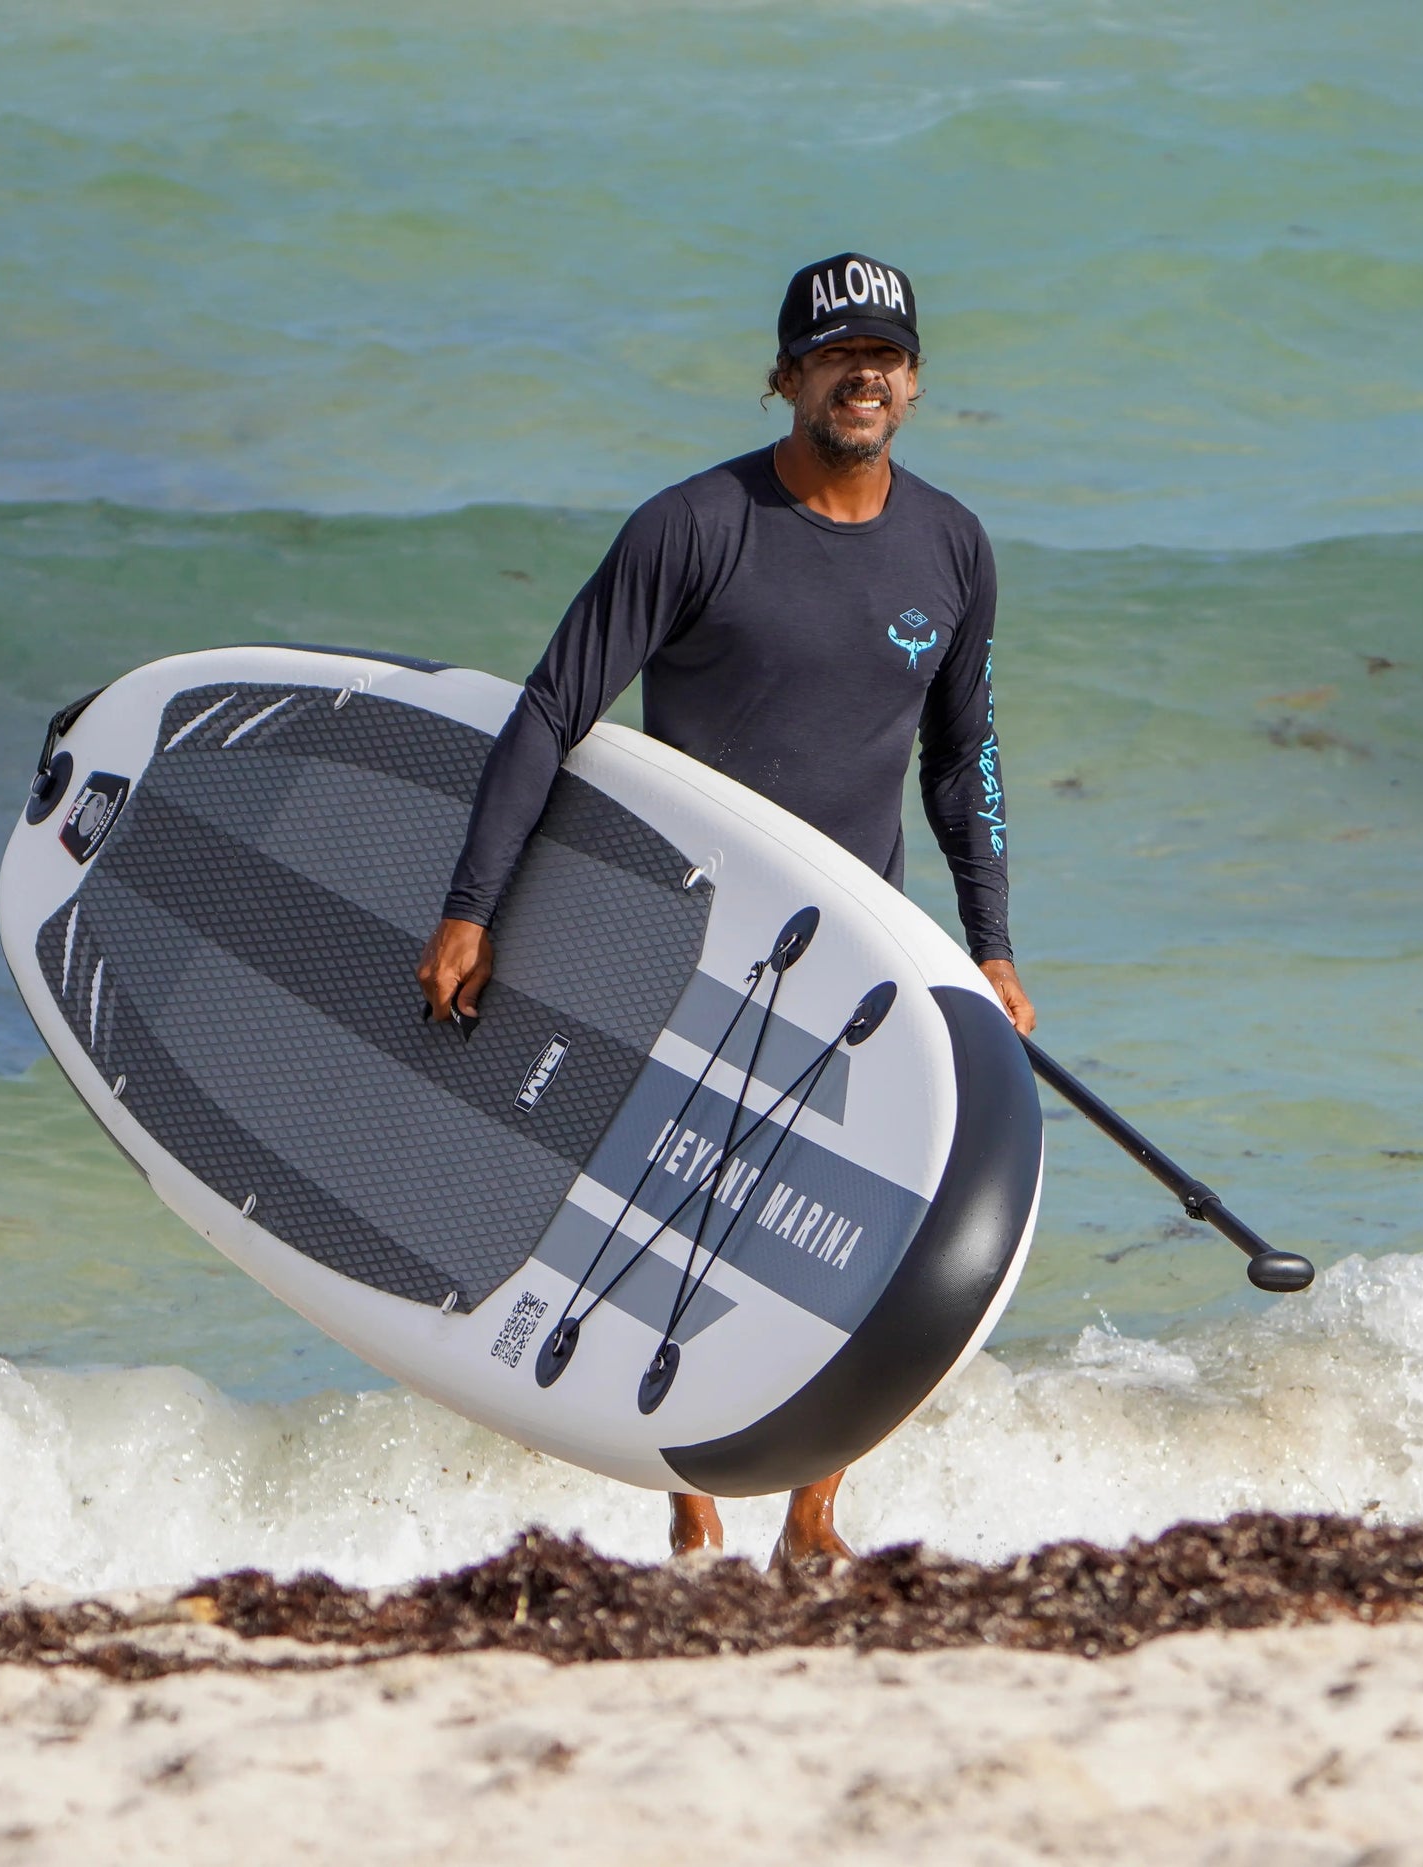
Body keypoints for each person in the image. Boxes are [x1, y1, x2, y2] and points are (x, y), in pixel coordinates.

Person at [415, 251, 1034, 1567]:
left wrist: (989, 945)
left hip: (865, 944)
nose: (864, 375)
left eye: (887, 356)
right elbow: (551, 711)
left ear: (914, 380)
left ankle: (815, 1512)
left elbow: (962, 758)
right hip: (693, 935)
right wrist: (474, 905)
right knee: (664, 1216)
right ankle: (691, 1502)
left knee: (854, 1232)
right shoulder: (696, 529)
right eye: (836, 355)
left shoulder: (953, 549)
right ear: (787, 377)